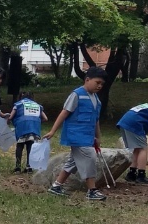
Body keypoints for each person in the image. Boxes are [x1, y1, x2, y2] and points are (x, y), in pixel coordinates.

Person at [45, 67, 107, 201]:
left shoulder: (96, 99)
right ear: (87, 80)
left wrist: (98, 136)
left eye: (102, 84)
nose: (100, 86)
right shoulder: (76, 94)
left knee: (73, 161)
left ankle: (56, 186)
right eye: (97, 82)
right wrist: (52, 131)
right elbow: (64, 113)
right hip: (76, 135)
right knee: (89, 157)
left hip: (87, 136)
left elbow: (96, 120)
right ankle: (92, 190)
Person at [8, 92, 48, 173]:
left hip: (22, 127)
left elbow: (11, 116)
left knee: (20, 146)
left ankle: (18, 168)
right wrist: (37, 122)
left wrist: (8, 121)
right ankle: (29, 167)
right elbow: (45, 118)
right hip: (34, 128)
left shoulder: (18, 104)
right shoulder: (37, 105)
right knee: (30, 146)